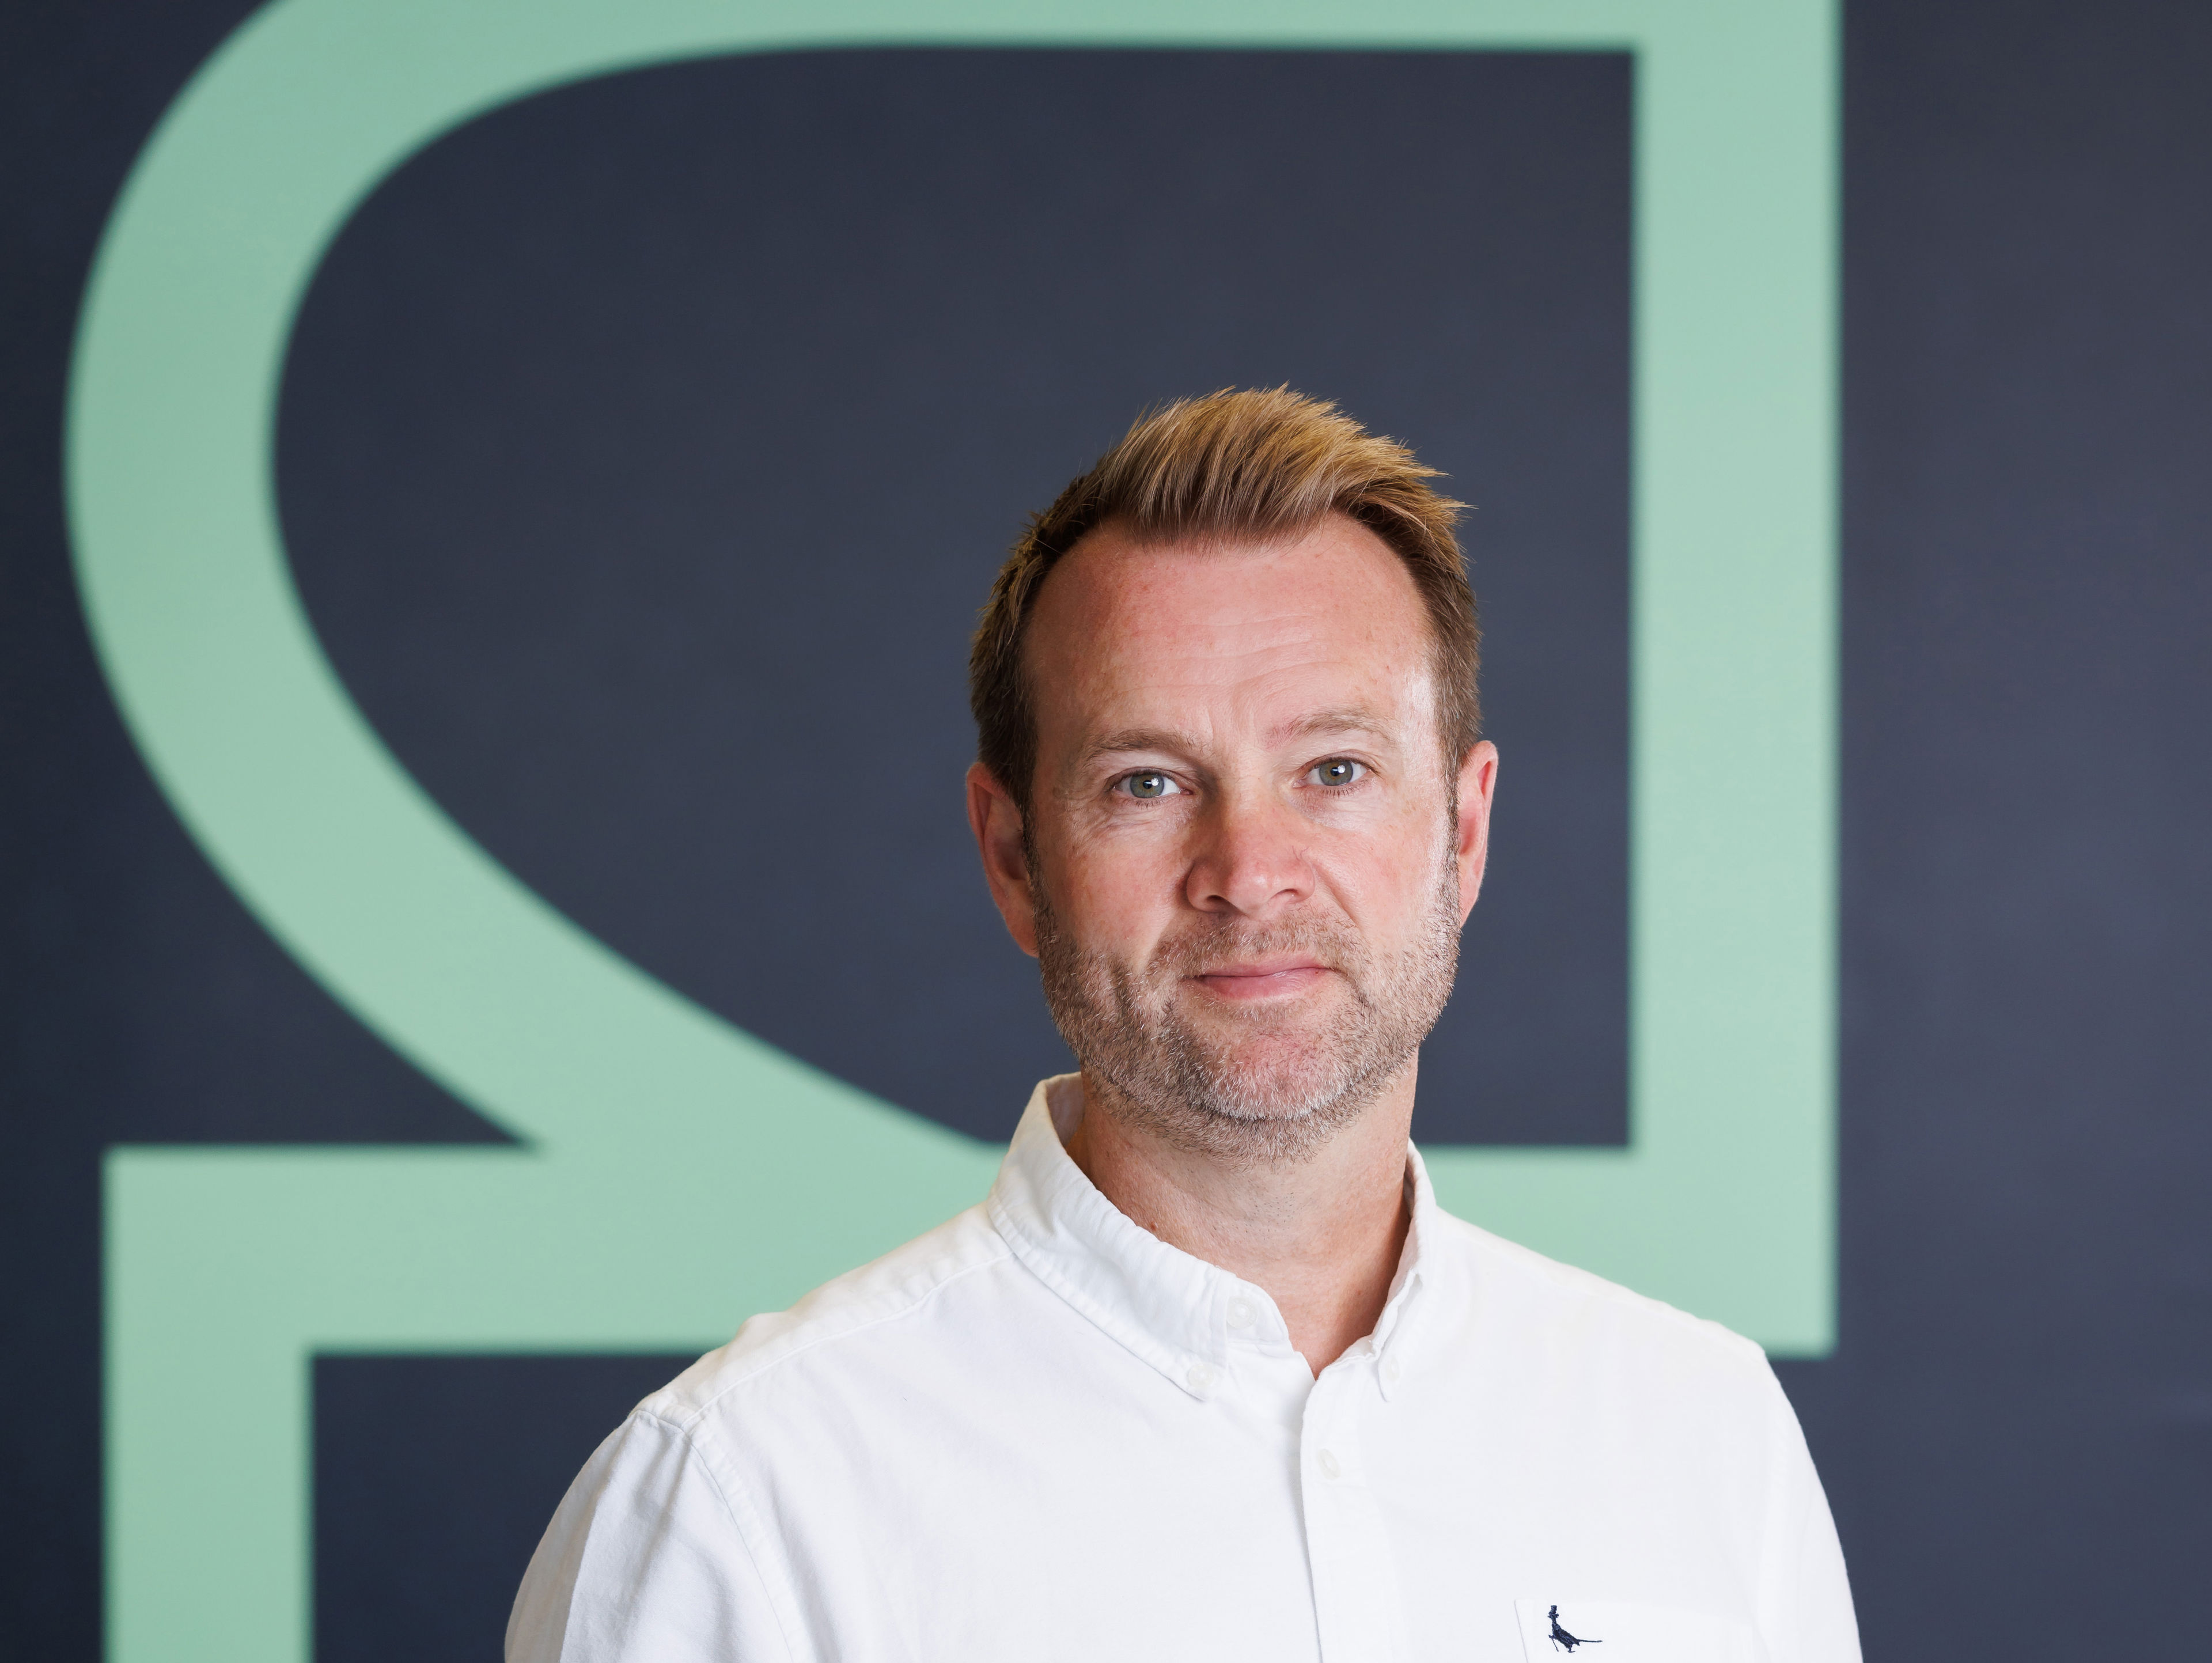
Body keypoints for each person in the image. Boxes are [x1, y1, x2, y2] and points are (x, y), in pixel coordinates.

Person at [506, 388, 1859, 1662]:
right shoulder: (745, 1496)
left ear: (1463, 830)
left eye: (1335, 769)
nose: (1249, 869)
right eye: (1148, 782)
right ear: (1015, 857)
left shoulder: (1703, 1437)